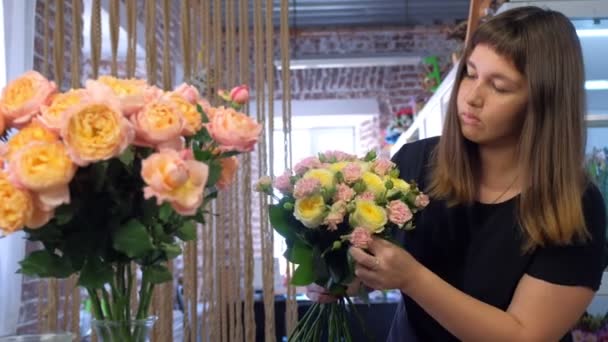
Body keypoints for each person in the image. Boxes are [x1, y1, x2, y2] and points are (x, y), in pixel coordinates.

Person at [309, 6, 607, 341]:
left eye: (500, 86)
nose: (472, 97)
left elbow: (524, 336)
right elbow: (371, 261)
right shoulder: (417, 162)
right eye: (470, 72)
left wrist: (413, 279)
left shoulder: (576, 206)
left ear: (543, 103)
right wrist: (339, 274)